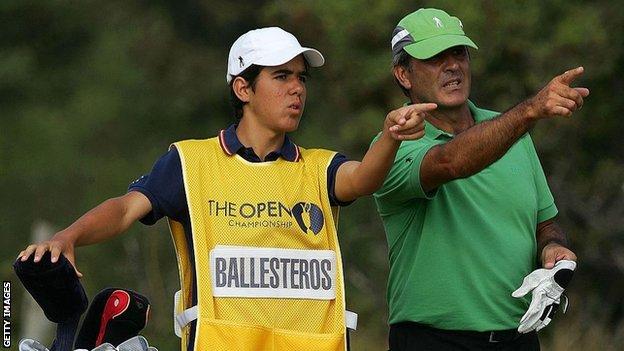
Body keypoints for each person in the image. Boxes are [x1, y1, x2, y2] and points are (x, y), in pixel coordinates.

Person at [18, 27, 435, 351]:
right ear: (243, 88)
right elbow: (126, 208)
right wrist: (68, 236)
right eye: (281, 76)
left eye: (301, 78)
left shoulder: (319, 167)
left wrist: (390, 137)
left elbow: (364, 179)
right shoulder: (192, 162)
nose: (297, 89)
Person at [373, 8, 588, 350]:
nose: (452, 66)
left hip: (518, 339)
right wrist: (530, 110)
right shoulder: (394, 143)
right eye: (434, 57)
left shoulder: (513, 132)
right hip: (432, 340)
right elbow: (450, 162)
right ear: (403, 75)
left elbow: (544, 224)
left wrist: (553, 248)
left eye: (458, 53)